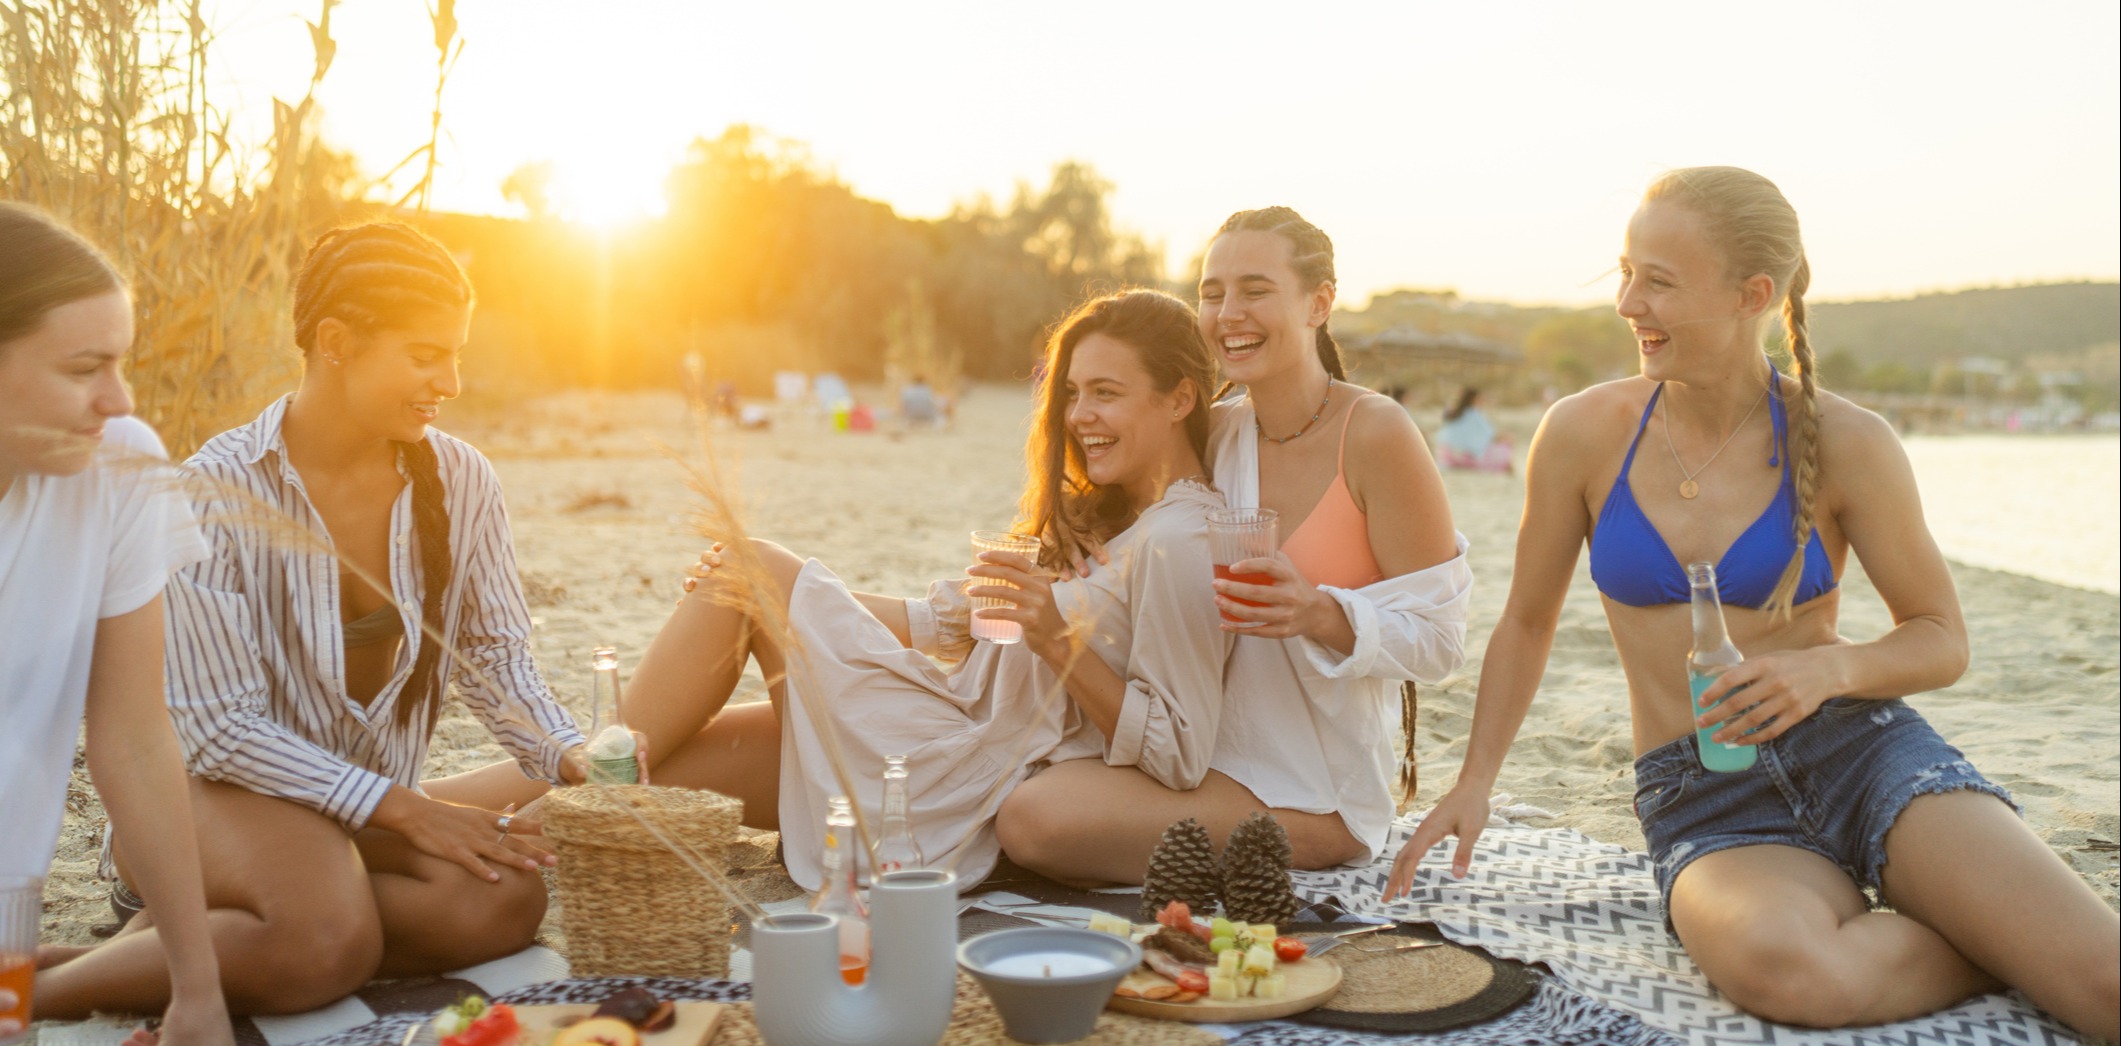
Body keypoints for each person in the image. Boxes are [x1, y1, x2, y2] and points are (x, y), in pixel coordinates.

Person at [1387, 167, 2118, 1043]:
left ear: (1753, 294)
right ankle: (2002, 937)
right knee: (1794, 973)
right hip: (1704, 795)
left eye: (1657, 280)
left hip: (1861, 750)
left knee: (2106, 985)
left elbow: (1941, 638)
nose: (1626, 301)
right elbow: (1528, 622)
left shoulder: (1846, 439)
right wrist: (1474, 781)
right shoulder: (1581, 433)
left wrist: (1827, 668)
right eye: (1623, 272)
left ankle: (2026, 933)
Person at [454, 289, 1229, 887]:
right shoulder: (1116, 515)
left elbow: (1177, 753)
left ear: (1179, 398)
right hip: (935, 722)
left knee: (747, 577)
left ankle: (522, 815)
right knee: (688, 700)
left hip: (953, 774)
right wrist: (795, 594)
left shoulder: (1178, 540)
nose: (1079, 415)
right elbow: (943, 623)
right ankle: (414, 807)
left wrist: (1052, 637)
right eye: (1070, 393)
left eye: (1105, 393)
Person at [37, 221, 591, 1019]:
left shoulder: (462, 479)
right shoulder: (211, 490)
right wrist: (402, 807)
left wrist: (565, 750)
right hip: (213, 800)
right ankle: (41, 988)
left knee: (503, 899)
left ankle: (247, 934)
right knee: (325, 936)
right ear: (336, 341)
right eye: (427, 354)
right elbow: (217, 729)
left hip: (345, 813)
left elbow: (491, 656)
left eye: (456, 354)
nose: (453, 382)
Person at [997, 207, 1471, 886]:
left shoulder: (1374, 434)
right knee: (1005, 776)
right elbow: (1116, 489)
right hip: (1193, 752)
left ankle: (1306, 840)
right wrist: (1075, 526)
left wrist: (1320, 613)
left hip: (1312, 785)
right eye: (1211, 293)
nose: (1227, 313)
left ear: (1319, 302)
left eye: (1254, 289)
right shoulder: (1215, 432)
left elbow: (1441, 640)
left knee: (1035, 820)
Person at [0, 202, 235, 1046]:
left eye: (122, 362)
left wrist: (198, 993)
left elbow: (134, 738)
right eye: (83, 368)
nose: (120, 399)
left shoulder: (119, 464)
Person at [1435, 387, 1514, 474]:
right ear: (1473, 399)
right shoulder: (1474, 414)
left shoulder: (1455, 414)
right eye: (1479, 398)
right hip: (1467, 457)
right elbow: (1491, 435)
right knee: (1505, 444)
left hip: (1448, 455)